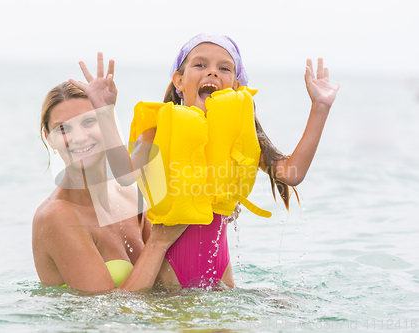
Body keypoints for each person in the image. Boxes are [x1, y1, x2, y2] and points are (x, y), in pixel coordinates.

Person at [70, 33, 340, 289]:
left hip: (221, 276)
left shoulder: (238, 138)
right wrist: (104, 111)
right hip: (169, 277)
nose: (212, 72)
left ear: (236, 86)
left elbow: (291, 173)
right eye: (200, 64)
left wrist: (320, 108)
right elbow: (124, 174)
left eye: (225, 68)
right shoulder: (160, 132)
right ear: (179, 81)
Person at [32, 81, 187, 292]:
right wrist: (158, 242)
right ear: (48, 137)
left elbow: (169, 284)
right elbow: (106, 311)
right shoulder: (56, 217)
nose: (79, 137)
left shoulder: (131, 196)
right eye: (63, 128)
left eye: (88, 122)